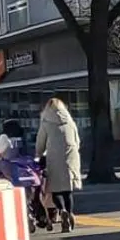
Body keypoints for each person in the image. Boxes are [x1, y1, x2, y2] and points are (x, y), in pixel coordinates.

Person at [34, 98, 83, 232]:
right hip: (71, 157)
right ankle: (70, 212)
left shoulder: (46, 123)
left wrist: (38, 155)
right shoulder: (70, 122)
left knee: (55, 189)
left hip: (54, 159)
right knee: (68, 190)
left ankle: (61, 211)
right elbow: (77, 140)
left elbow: (40, 143)